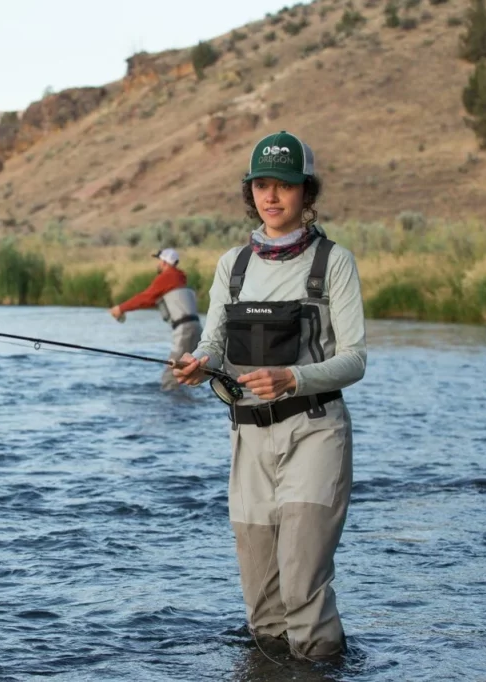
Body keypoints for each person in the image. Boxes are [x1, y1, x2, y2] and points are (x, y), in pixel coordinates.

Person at [173, 131, 367, 660]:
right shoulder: (232, 265)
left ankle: (323, 668)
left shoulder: (335, 262)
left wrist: (293, 379)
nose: (272, 196)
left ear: (307, 192)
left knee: (303, 587)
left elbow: (356, 359)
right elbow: (213, 342)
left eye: (285, 185)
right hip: (248, 440)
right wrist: (200, 364)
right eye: (262, 184)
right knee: (262, 605)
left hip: (316, 433)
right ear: (250, 191)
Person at [110, 248, 202, 390]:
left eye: (159, 261)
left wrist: (121, 308)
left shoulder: (167, 277)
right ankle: (185, 405)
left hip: (184, 330)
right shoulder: (179, 278)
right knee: (186, 373)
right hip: (195, 328)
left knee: (170, 376)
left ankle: (173, 410)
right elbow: (152, 301)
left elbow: (146, 297)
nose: (158, 264)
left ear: (165, 262)